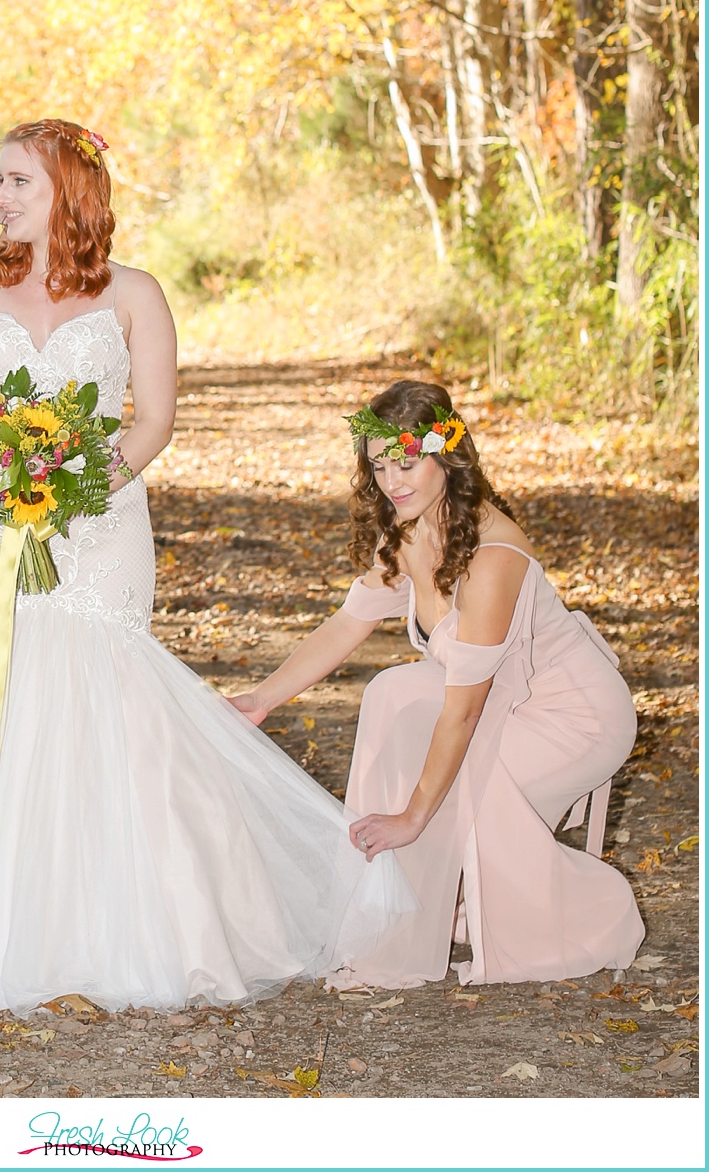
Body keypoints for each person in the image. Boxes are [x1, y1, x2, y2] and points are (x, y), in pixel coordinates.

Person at [0, 118, 412, 1014]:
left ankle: (145, 924)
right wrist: (1, 480)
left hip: (101, 521)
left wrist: (72, 491)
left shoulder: (135, 291)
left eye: (19, 180)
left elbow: (153, 421)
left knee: (108, 692)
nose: (0, 192)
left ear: (69, 190)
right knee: (1, 684)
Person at [229, 378, 644, 988]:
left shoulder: (491, 555)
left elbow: (463, 712)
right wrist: (258, 700)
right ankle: (392, 908)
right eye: (379, 467)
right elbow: (347, 624)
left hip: (573, 718)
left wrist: (413, 818)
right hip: (504, 702)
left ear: (446, 453)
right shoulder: (408, 529)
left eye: (407, 462)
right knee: (391, 694)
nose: (393, 481)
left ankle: (587, 912)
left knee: (454, 783)